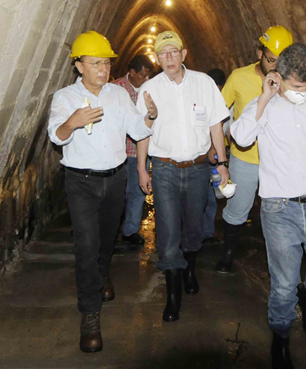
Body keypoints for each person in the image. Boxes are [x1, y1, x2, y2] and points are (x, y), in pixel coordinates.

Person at [231, 43, 306, 369]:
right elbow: (241, 137)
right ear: (279, 77)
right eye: (296, 86)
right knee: (283, 285)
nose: (303, 92)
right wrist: (266, 97)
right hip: (279, 208)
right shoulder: (265, 104)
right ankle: (281, 341)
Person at [47, 31, 158, 353]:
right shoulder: (65, 98)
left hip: (115, 178)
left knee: (107, 237)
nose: (102, 69)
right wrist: (73, 122)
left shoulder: (118, 95)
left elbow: (138, 131)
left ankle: (103, 273)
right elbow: (57, 136)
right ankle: (90, 314)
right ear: (79, 66)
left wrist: (150, 114)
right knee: (86, 244)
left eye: (106, 63)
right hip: (80, 181)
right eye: (95, 63)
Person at [136, 31, 230, 322]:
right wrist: (142, 168)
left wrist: (222, 160)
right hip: (164, 167)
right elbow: (142, 132)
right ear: (157, 58)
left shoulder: (203, 83)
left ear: (184, 54)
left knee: (194, 225)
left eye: (173, 52)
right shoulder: (149, 89)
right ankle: (173, 294)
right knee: (166, 231)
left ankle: (189, 267)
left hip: (199, 167)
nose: (169, 59)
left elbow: (216, 123)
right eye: (163, 54)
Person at [216, 25, 294, 274]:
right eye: (271, 59)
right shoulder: (239, 77)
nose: (275, 66)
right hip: (245, 158)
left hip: (278, 160)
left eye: (281, 62)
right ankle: (228, 252)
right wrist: (216, 149)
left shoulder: (291, 82)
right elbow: (217, 114)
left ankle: (280, 258)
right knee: (238, 208)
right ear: (260, 52)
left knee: (280, 211)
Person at [111, 54, 154, 246]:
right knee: (117, 193)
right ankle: (111, 228)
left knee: (138, 192)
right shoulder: (116, 89)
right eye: (142, 75)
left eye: (148, 76)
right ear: (131, 72)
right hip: (120, 152)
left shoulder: (152, 89)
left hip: (141, 152)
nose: (146, 80)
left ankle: (130, 230)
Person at [201, 68, 230, 245]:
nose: (218, 93)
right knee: (199, 197)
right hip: (199, 158)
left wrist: (223, 157)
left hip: (216, 158)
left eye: (220, 89)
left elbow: (227, 128)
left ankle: (207, 233)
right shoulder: (197, 99)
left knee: (213, 196)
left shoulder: (225, 101)